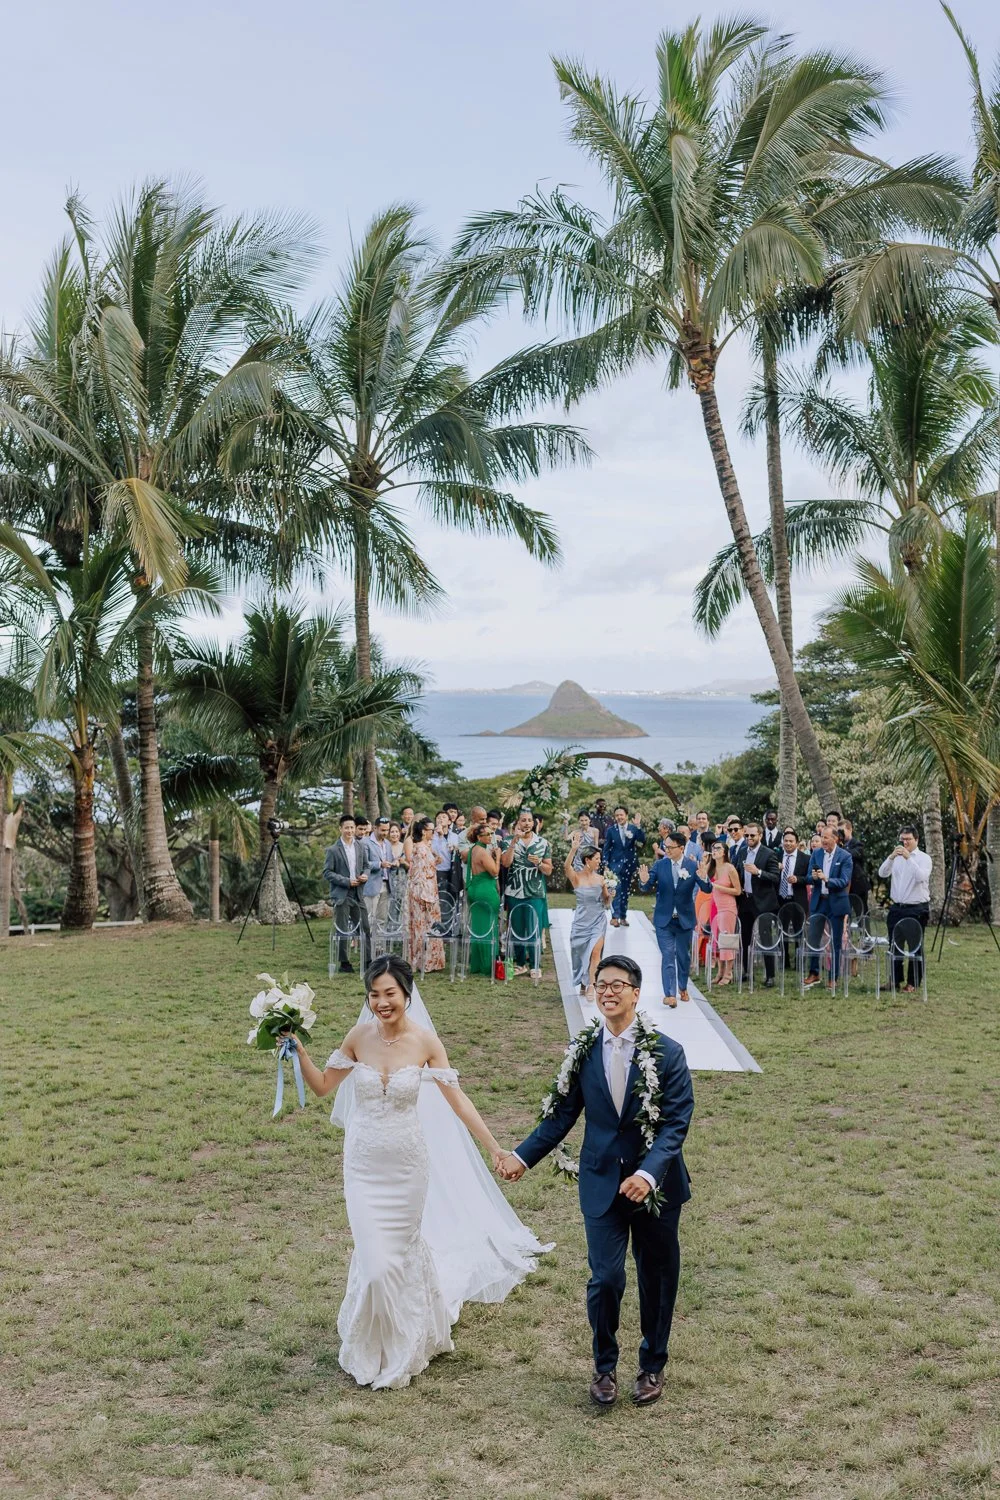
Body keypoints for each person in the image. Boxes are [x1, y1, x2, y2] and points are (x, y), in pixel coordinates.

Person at [292, 955, 549, 1389]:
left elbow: (458, 1100)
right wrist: (296, 1048)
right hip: (364, 1166)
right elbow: (321, 1086)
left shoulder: (426, 1043)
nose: (381, 1002)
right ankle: (372, 1342)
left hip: (407, 1167)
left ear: (406, 994)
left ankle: (404, 1340)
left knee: (398, 1254)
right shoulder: (358, 1038)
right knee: (375, 1263)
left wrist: (494, 1148)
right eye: (373, 994)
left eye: (389, 993)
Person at [499, 955, 694, 1409]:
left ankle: (652, 1364)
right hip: (601, 1182)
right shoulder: (583, 1050)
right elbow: (562, 1116)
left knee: (657, 1277)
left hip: (657, 1188)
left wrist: (647, 1174)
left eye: (617, 985)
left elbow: (676, 1123)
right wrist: (522, 1158)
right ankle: (603, 1367)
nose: (607, 991)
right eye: (600, 984)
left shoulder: (668, 1052)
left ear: (635, 992)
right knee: (605, 1278)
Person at [638, 831, 711, 1007]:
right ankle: (669, 994)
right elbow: (647, 886)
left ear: (681, 847)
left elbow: (707, 889)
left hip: (685, 919)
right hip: (664, 919)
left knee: (683, 957)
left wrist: (703, 877)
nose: (667, 850)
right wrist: (644, 881)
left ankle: (683, 987)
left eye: (670, 847)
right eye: (665, 847)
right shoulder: (660, 865)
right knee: (668, 955)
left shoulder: (692, 866)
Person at [500, 808, 553, 978]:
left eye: (529, 820)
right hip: (514, 890)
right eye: (523, 820)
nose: (527, 823)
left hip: (534, 892)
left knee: (533, 928)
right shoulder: (507, 841)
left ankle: (535, 964)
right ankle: (520, 962)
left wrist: (539, 863)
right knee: (516, 928)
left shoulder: (543, 843)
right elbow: (506, 863)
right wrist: (514, 842)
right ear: (518, 822)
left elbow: (549, 870)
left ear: (534, 823)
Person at [878, 826, 932, 992]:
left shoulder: (923, 858)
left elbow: (921, 877)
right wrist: (891, 857)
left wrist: (910, 858)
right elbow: (882, 873)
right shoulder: (897, 858)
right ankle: (894, 980)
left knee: (915, 946)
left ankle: (913, 982)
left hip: (916, 908)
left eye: (908, 839)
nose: (905, 842)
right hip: (897, 907)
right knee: (894, 945)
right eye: (903, 839)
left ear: (916, 840)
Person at [805, 826, 853, 990]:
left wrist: (827, 879)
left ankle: (834, 976)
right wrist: (813, 877)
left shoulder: (845, 856)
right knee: (813, 938)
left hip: (836, 901)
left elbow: (844, 881)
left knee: (836, 941)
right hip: (819, 901)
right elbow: (808, 876)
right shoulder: (816, 853)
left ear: (835, 839)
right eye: (822, 837)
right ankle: (814, 972)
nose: (823, 841)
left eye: (826, 838)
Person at [323, 814, 373, 973]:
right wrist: (346, 881)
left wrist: (365, 875)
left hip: (358, 893)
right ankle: (344, 962)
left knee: (365, 927)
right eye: (347, 828)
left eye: (352, 827)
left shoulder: (360, 846)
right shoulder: (333, 850)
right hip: (342, 894)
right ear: (340, 829)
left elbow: (366, 865)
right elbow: (327, 872)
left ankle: (368, 961)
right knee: (342, 929)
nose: (350, 830)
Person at [564, 837, 611, 996]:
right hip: (581, 921)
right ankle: (584, 982)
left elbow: (605, 902)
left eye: (600, 859)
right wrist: (573, 849)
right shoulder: (576, 878)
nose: (599, 861)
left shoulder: (601, 879)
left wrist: (610, 895)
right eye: (597, 859)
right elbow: (566, 867)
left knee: (595, 953)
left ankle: (592, 985)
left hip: (598, 919)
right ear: (587, 860)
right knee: (581, 954)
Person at [735, 824, 780, 986]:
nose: (749, 838)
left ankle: (770, 976)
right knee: (744, 937)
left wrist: (758, 872)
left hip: (763, 902)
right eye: (747, 835)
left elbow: (776, 877)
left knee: (766, 938)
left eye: (752, 836)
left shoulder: (769, 854)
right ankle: (746, 971)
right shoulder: (741, 853)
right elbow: (737, 872)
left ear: (760, 835)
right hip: (745, 900)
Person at [406, 818, 444, 973]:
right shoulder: (420, 849)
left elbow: (432, 865)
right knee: (423, 927)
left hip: (430, 890)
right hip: (423, 894)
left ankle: (431, 962)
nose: (433, 833)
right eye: (431, 830)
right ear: (423, 831)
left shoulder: (425, 847)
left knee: (430, 927)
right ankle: (423, 962)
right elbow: (419, 876)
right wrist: (426, 897)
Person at [465, 822, 501, 975]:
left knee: (478, 927)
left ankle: (478, 964)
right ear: (479, 836)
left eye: (492, 833)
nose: (491, 837)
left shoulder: (473, 849)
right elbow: (494, 871)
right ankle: (487, 965)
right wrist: (498, 857)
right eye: (488, 834)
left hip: (474, 889)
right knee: (488, 927)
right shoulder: (483, 852)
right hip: (486, 890)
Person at [603, 805, 646, 927]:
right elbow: (606, 848)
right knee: (616, 890)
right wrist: (605, 864)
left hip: (629, 865)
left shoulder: (633, 828)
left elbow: (642, 840)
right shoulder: (611, 830)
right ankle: (614, 917)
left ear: (626, 816)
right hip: (614, 865)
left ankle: (623, 916)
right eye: (616, 815)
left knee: (625, 891)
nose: (619, 817)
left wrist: (638, 826)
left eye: (621, 815)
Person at [706, 839, 741, 985]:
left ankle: (729, 972)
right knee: (716, 940)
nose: (714, 850)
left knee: (727, 940)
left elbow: (738, 891)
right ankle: (720, 971)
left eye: (718, 848)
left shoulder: (730, 868)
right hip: (715, 906)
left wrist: (720, 888)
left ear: (724, 852)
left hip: (727, 907)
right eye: (713, 848)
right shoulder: (711, 867)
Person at [361, 816, 395, 937]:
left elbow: (390, 861)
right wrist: (380, 864)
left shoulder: (388, 843)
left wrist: (395, 862)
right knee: (369, 918)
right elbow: (363, 864)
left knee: (382, 918)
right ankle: (367, 947)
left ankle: (379, 948)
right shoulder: (365, 842)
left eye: (387, 830)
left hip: (386, 884)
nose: (385, 833)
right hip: (372, 885)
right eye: (383, 830)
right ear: (375, 828)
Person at [777, 827, 810, 918]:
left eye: (791, 841)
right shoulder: (776, 856)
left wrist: (797, 879)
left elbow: (810, 878)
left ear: (797, 843)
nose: (788, 843)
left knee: (798, 930)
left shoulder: (806, 858)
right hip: (780, 899)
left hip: (797, 900)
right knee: (781, 929)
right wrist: (776, 868)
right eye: (786, 841)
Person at [841, 818, 870, 909]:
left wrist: (840, 850)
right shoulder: (838, 846)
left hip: (857, 886)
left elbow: (855, 854)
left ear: (850, 830)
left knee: (861, 913)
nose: (840, 834)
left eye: (842, 831)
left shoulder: (858, 844)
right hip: (844, 886)